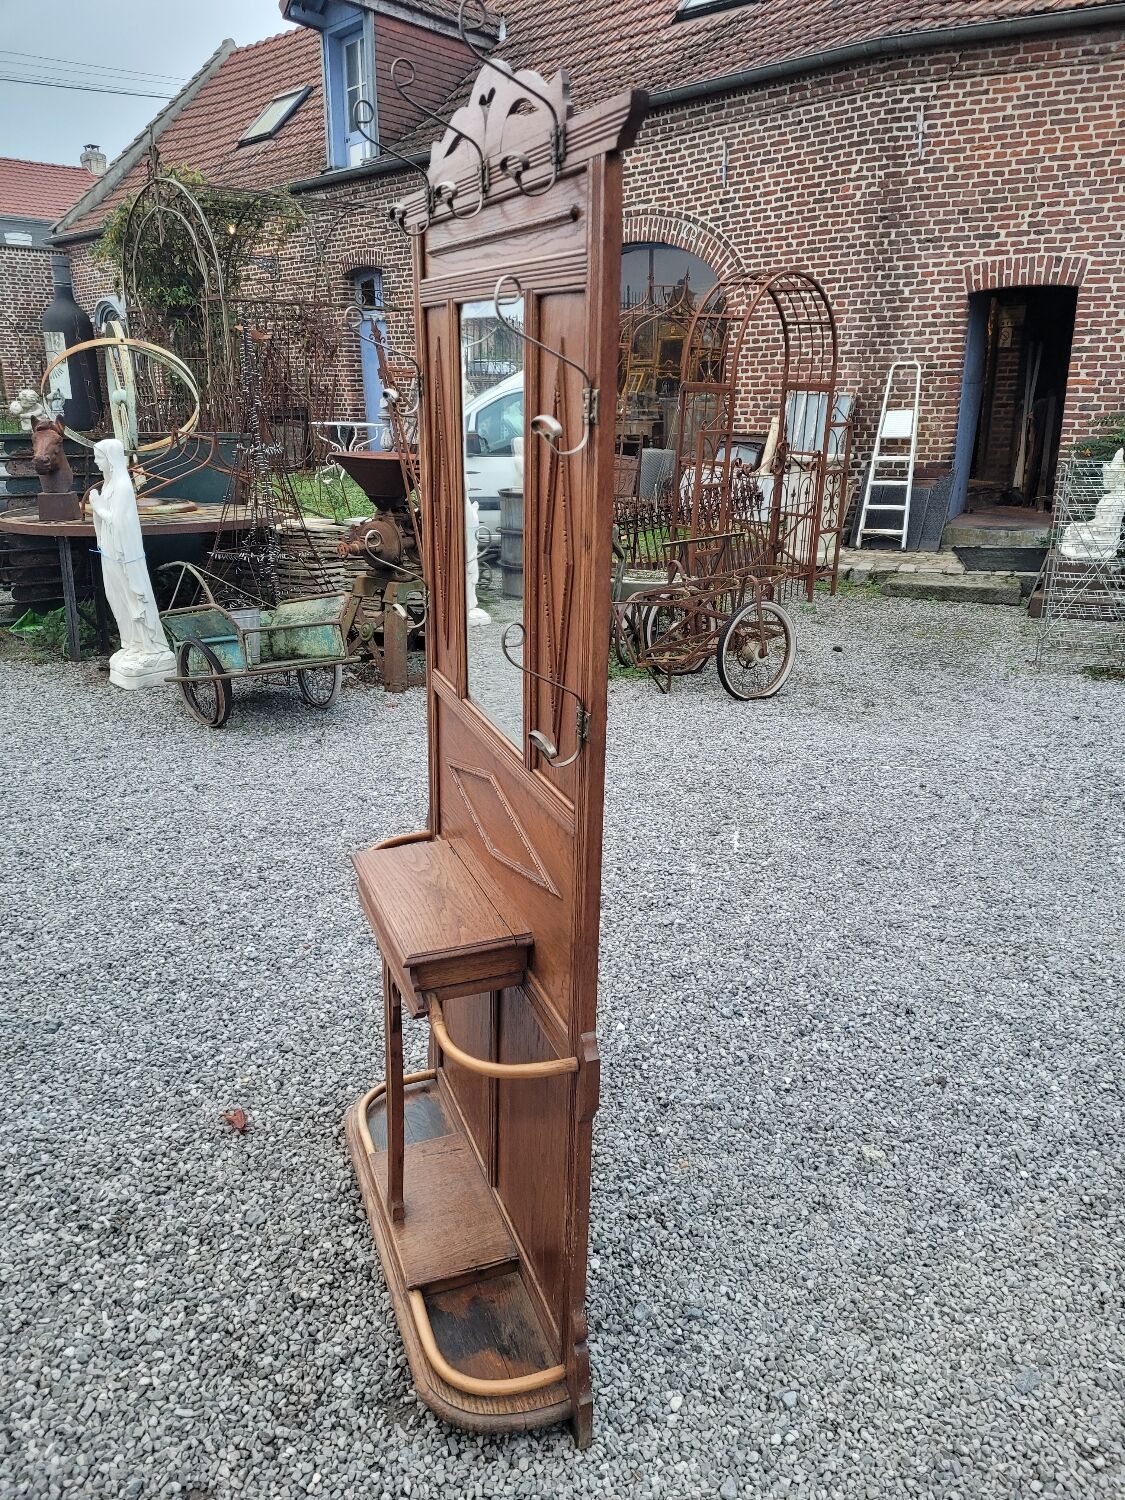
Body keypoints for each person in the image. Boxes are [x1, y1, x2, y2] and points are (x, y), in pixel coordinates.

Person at [88, 438, 176, 688]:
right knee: (117, 597)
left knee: (132, 597)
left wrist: (97, 506)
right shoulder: (109, 485)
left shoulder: (124, 487)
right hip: (111, 552)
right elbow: (107, 521)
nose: (96, 462)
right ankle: (131, 644)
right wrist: (100, 507)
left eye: (99, 457)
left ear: (111, 459)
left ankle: (150, 647)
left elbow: (119, 521)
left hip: (126, 555)